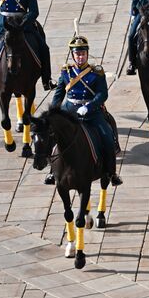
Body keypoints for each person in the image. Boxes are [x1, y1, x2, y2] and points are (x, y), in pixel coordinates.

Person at [50, 35, 122, 186]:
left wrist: (88, 107)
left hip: (91, 112)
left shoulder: (96, 72)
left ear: (87, 54)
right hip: (69, 111)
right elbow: (59, 94)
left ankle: (112, 172)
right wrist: (53, 112)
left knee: (107, 137)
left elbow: (103, 94)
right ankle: (52, 171)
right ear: (73, 55)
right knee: (51, 135)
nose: (80, 57)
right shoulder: (66, 72)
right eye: (77, 54)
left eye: (83, 54)